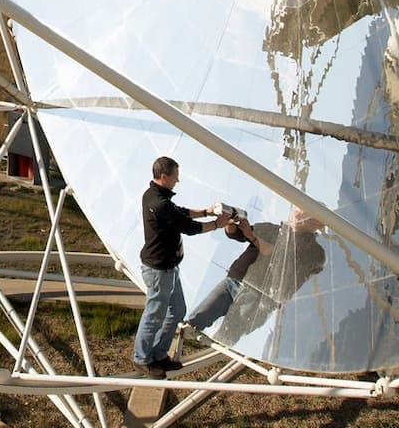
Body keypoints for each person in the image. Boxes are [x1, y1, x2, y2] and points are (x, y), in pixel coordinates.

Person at [135, 155, 226, 377]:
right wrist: (216, 224)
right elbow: (190, 227)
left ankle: (159, 354)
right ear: (164, 177)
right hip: (158, 270)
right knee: (154, 314)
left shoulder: (156, 196)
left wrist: (206, 212)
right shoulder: (158, 203)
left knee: (177, 310)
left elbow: (181, 212)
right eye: (175, 176)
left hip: (168, 268)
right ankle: (142, 358)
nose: (178, 180)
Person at [180, 211, 325, 347]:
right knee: (197, 319)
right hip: (234, 281)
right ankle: (177, 346)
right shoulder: (271, 229)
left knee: (226, 337)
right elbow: (238, 234)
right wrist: (230, 223)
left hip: (259, 295)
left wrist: (253, 237)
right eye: (297, 210)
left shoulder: (314, 251)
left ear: (318, 224)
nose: (298, 215)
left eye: (306, 214)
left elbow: (280, 255)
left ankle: (212, 360)